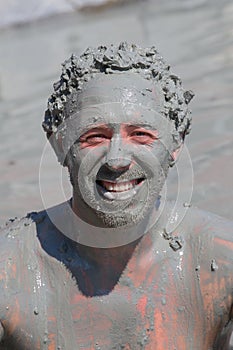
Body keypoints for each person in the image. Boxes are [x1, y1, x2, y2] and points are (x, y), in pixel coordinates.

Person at [0, 42, 232, 349]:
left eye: (141, 135)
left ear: (176, 143)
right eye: (94, 136)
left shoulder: (219, 259)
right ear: (59, 144)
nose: (117, 159)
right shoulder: (11, 269)